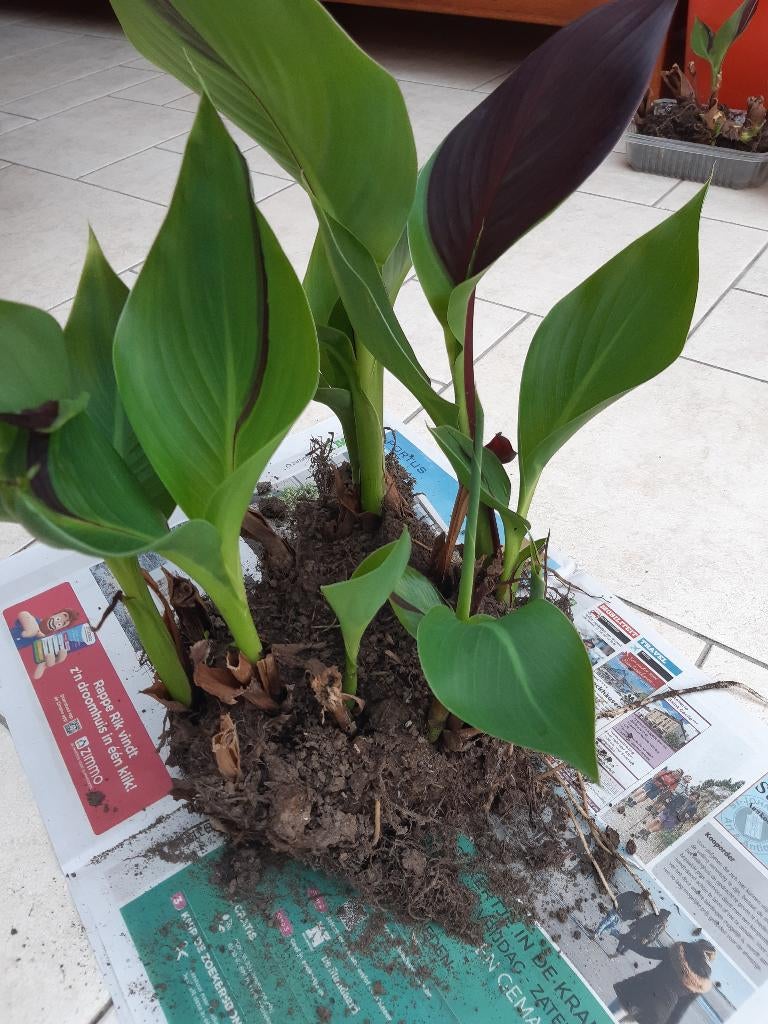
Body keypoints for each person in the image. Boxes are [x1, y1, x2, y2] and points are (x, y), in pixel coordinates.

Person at [607, 939, 716, 1024]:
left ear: (697, 944)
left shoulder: (679, 951)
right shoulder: (701, 983)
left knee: (606, 1017)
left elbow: (647, 952)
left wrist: (626, 940)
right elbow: (679, 1010)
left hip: (639, 990)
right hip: (658, 1011)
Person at [9, 607, 80, 678]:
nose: (57, 622)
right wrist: (34, 630)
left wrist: (43, 665)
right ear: (55, 614)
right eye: (59, 618)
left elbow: (36, 676)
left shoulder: (43, 642)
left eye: (62, 624)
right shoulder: (34, 620)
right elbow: (23, 614)